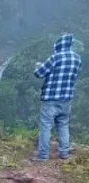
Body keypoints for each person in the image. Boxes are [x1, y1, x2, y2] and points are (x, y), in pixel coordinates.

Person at [34, 33, 82, 161]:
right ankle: (64, 154)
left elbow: (39, 74)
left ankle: (43, 156)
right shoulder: (77, 58)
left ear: (58, 45)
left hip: (50, 98)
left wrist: (38, 65)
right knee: (63, 124)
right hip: (66, 98)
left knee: (45, 126)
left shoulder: (55, 57)